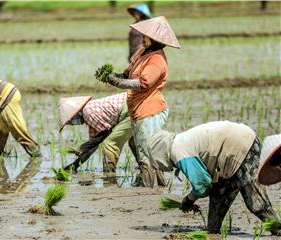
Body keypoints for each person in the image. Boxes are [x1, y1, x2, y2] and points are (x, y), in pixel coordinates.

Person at [146, 121, 280, 235]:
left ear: (160, 154)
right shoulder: (180, 142)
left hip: (242, 146)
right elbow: (208, 183)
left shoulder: (179, 152)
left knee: (255, 202)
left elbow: (203, 185)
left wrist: (188, 199)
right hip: (228, 153)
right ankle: (213, 232)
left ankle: (278, 230)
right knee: (217, 205)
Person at [100, 16, 181, 187]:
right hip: (137, 110)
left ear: (155, 40)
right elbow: (128, 74)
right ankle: (157, 186)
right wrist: (113, 76)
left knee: (147, 153)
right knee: (146, 150)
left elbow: (143, 83)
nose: (142, 38)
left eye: (145, 36)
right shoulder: (142, 53)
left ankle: (149, 191)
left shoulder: (157, 59)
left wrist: (118, 83)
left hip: (150, 111)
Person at [59, 92, 138, 174]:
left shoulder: (88, 112)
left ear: (75, 114)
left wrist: (84, 147)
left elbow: (106, 133)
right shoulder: (91, 116)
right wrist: (74, 165)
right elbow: (93, 146)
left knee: (109, 143)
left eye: (71, 120)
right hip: (133, 103)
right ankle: (145, 168)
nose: (73, 123)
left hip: (130, 105)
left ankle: (109, 175)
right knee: (134, 142)